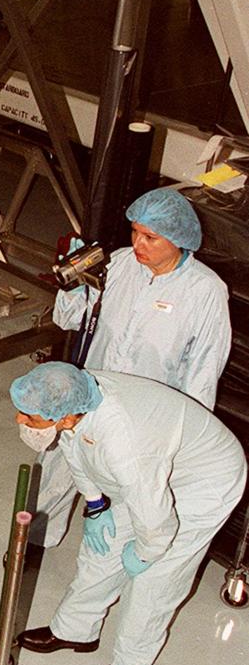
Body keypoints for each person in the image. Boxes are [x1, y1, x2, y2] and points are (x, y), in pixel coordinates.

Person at [11, 363, 246, 665]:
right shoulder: (75, 397)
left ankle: (132, 662)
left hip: (205, 481)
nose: (20, 421)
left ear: (63, 417)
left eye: (30, 417)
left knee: (157, 578)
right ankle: (76, 630)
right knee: (101, 549)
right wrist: (94, 503)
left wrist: (145, 552)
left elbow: (155, 517)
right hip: (155, 470)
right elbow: (75, 450)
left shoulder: (125, 443)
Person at [38, 187, 231, 546]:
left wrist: (182, 437)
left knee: (129, 485)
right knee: (59, 468)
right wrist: (72, 287)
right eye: (134, 232)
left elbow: (204, 371)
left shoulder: (205, 291)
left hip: (143, 414)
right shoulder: (121, 263)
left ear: (178, 239)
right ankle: (33, 545)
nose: (138, 244)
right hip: (90, 393)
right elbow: (69, 319)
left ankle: (114, 557)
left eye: (150, 237)